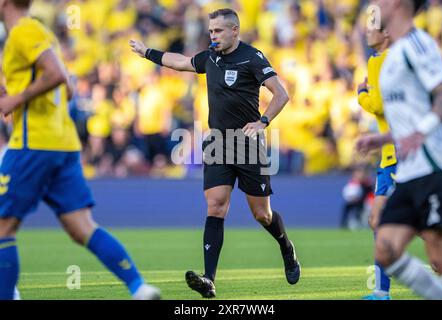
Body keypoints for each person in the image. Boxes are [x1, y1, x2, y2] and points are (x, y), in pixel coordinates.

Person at [130, 8, 300, 298]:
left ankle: (286, 247)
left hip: (246, 144)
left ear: (235, 30)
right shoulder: (210, 56)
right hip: (218, 143)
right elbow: (181, 63)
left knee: (262, 214)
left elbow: (281, 94)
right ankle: (209, 279)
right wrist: (148, 53)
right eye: (210, 31)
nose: (213, 36)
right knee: (216, 206)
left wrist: (262, 122)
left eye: (218, 31)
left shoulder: (252, 57)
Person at [0, 0, 160, 300]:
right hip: (63, 144)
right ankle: (139, 288)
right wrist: (17, 93)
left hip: (33, 143)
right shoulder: (41, 34)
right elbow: (69, 87)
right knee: (81, 227)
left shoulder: (23, 31)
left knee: (2, 227)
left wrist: (16, 99)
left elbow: (58, 76)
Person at [358, 0, 442, 299]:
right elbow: (408, 115)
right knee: (386, 247)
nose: (374, 7)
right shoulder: (391, 55)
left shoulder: (417, 44)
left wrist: (421, 133)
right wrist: (380, 140)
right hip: (408, 170)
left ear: (397, 4)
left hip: (433, 167)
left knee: (440, 260)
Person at [356, 26, 396, 300]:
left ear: (388, 34)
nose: (368, 34)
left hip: (399, 154)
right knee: (376, 220)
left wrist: (361, 94)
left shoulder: (380, 60)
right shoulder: (390, 58)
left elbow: (379, 105)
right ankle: (381, 291)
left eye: (375, 30)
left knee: (382, 220)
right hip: (390, 154)